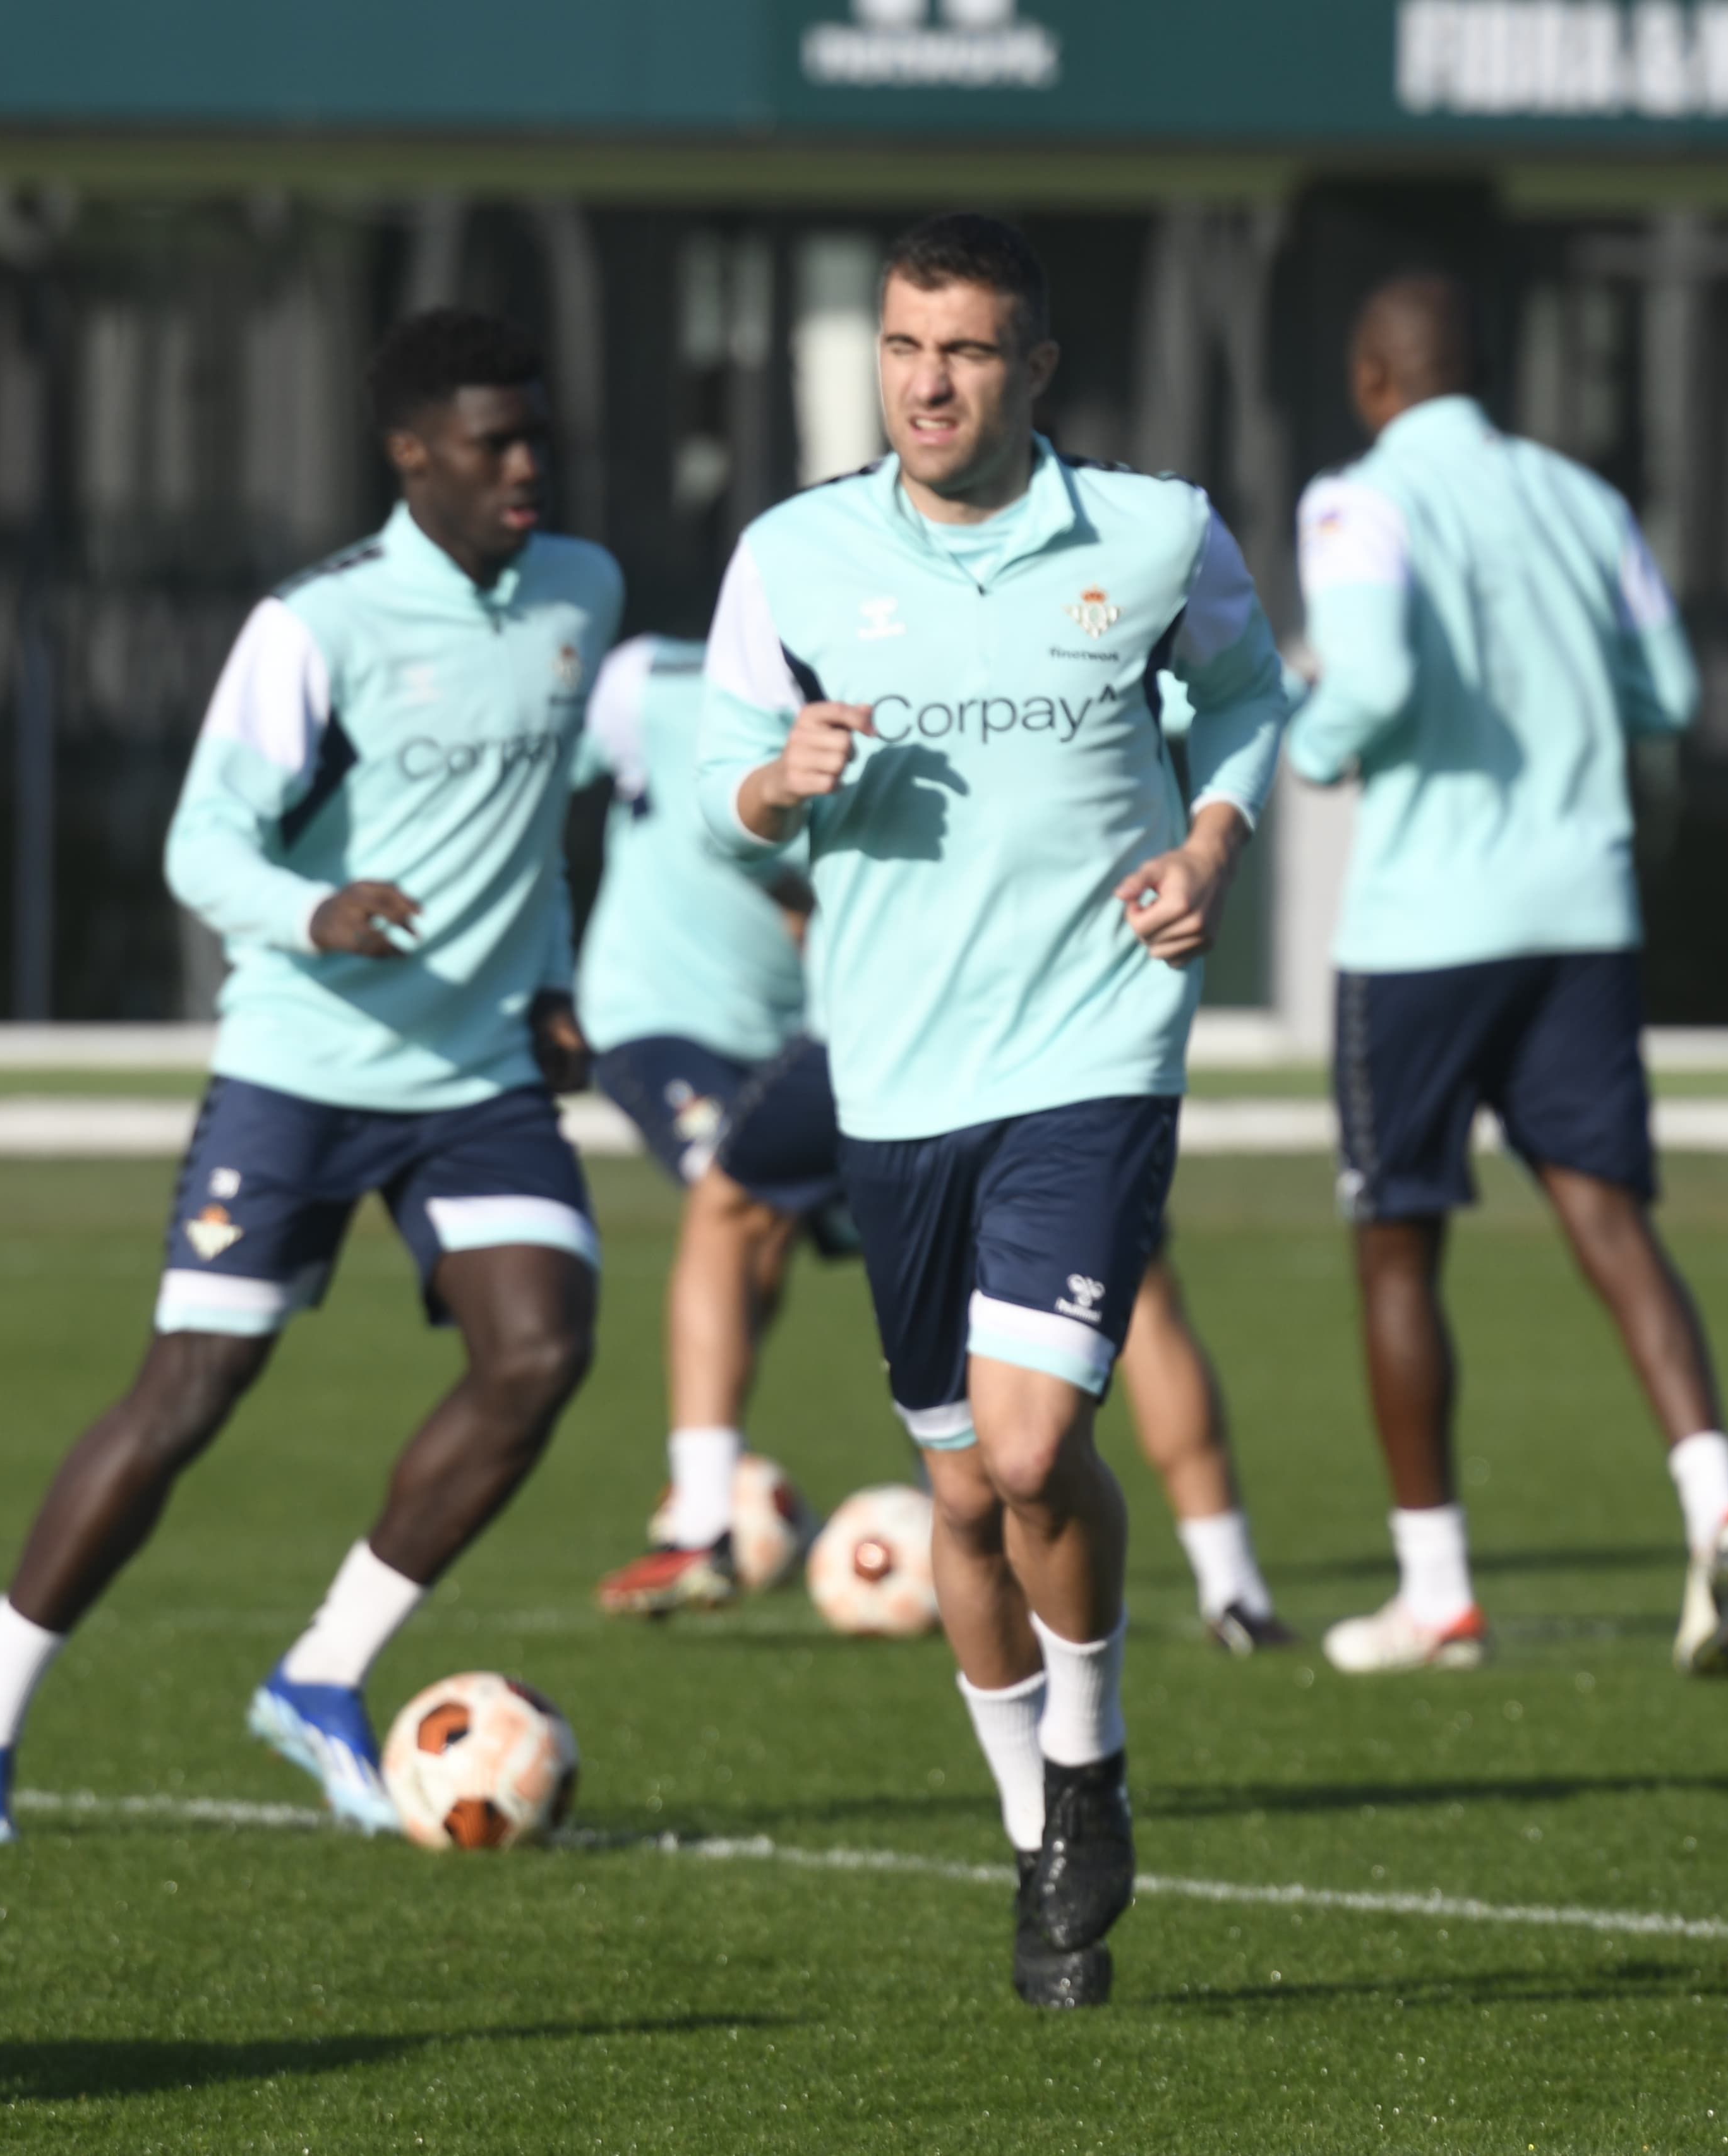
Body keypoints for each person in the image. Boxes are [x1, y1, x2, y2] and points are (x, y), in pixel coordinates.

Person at [0, 308, 621, 1843]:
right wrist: (319, 911)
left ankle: (321, 1674)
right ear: (409, 455)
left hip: (482, 1071)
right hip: (301, 1070)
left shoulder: (581, 592)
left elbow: (537, 832)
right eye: (492, 442)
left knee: (541, 1352)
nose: (526, 466)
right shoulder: (317, 626)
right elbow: (197, 846)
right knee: (188, 1393)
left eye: (536, 436)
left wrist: (555, 981)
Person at [695, 214, 1288, 2007]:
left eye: (963, 351)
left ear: (1036, 366)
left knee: (1033, 1452)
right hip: (892, 1076)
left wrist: (1211, 837)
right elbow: (712, 786)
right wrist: (776, 786)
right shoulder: (792, 553)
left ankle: (1092, 1763)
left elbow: (1250, 698)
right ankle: (1039, 1845)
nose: (926, 383)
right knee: (962, 1501)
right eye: (900, 347)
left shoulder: (1158, 530)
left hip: (1093, 1050)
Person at [1286, 271, 1728, 1680]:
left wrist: (1306, 750)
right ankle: (1715, 1498)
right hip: (1581, 909)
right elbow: (1668, 696)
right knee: (1610, 1220)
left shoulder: (1357, 499)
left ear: (1375, 379)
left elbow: (1365, 688)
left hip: (1424, 925)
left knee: (1397, 1241)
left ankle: (1436, 1590)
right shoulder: (1583, 497)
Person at [698, 1033, 1295, 1650]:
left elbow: (807, 931)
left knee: (725, 1207)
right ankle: (1232, 1588)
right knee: (1141, 1289)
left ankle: (700, 1520)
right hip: (1054, 1051)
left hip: (891, 1039)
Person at [577, 634, 846, 1617]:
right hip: (656, 1018)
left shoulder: (894, 692)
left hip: (808, 1035)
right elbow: (528, 785)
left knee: (899, 1250)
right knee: (731, 1199)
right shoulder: (648, 679)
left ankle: (969, 1518)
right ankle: (699, 1511)